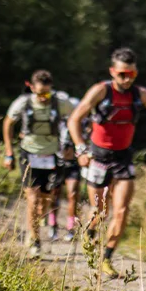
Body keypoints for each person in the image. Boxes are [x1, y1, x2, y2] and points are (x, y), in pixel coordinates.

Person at [69, 48, 146, 278]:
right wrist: (80, 148)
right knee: (100, 211)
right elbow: (74, 119)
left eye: (131, 74)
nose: (127, 79)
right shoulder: (100, 91)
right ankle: (89, 234)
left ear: (136, 72)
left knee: (121, 211)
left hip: (123, 158)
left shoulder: (142, 94)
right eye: (122, 74)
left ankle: (106, 258)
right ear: (112, 72)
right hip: (98, 158)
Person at [2, 70, 77, 258]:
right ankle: (35, 240)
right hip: (29, 154)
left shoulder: (60, 103)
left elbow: (77, 118)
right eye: (40, 93)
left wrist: (72, 144)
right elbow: (8, 123)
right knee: (32, 199)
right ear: (32, 88)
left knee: (46, 201)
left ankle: (35, 224)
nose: (43, 98)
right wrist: (9, 152)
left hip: (52, 154)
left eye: (47, 93)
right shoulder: (23, 103)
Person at [49, 90, 87, 243]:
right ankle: (52, 224)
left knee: (73, 194)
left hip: (73, 163)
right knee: (54, 194)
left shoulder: (83, 123)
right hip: (56, 161)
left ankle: (71, 227)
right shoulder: (56, 121)